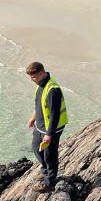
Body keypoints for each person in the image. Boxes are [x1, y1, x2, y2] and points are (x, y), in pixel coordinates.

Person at [26, 62, 68, 193]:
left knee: (50, 154)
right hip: (40, 126)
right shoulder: (40, 85)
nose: (32, 79)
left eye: (33, 76)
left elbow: (55, 115)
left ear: (42, 73)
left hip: (52, 129)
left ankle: (50, 182)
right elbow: (39, 104)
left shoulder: (52, 90)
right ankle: (45, 170)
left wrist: (49, 134)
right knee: (35, 147)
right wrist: (33, 118)